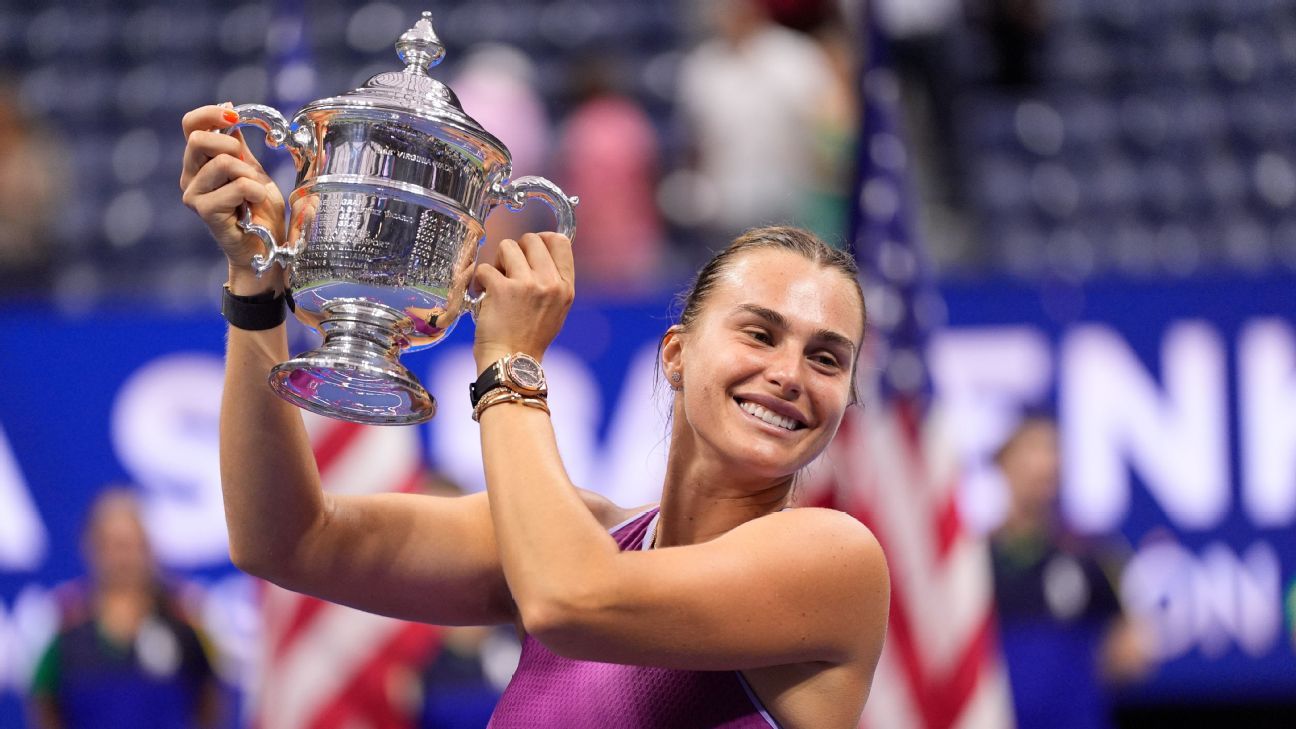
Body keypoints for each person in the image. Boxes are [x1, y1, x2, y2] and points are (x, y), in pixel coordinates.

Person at [180, 103, 889, 727]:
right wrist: (257, 286)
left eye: (827, 358)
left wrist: (511, 362)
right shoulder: (574, 537)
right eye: (760, 333)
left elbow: (569, 602)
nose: (790, 374)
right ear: (676, 354)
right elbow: (285, 539)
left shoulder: (834, 559)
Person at [989, 415, 1154, 729]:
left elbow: (1135, 645)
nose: (1045, 464)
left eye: (1052, 451)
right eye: (1032, 450)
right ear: (1003, 462)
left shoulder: (1095, 550)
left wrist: (1074, 677)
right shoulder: (975, 558)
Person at [27, 488, 221, 729]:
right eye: (114, 545)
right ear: (92, 548)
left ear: (148, 547)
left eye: (131, 545)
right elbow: (44, 701)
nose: (123, 558)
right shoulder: (62, 620)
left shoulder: (185, 614)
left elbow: (210, 695)